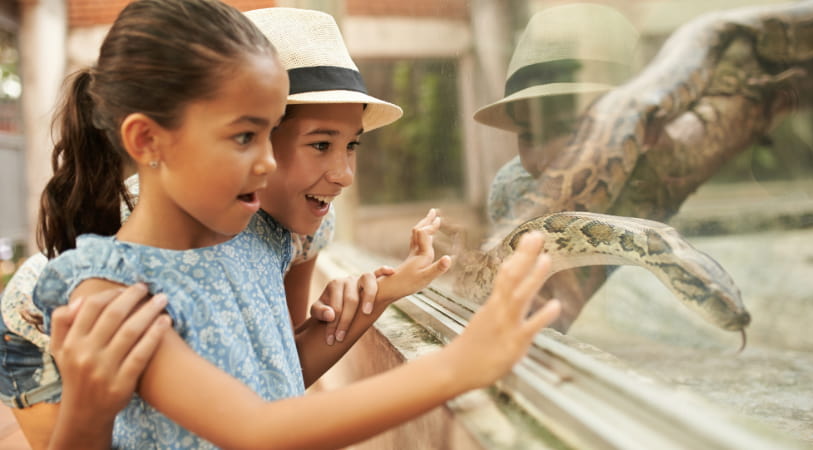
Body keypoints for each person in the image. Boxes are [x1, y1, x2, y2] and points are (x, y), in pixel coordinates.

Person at [30, 3, 560, 449]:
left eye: (268, 135)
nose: (265, 162)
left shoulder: (267, 237)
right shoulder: (119, 289)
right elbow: (258, 428)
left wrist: (379, 297)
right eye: (245, 137)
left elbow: (275, 381)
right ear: (148, 142)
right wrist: (458, 367)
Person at [471, 3, 639, 329]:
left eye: (569, 131)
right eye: (530, 135)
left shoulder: (662, 193)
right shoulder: (513, 188)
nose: (545, 161)